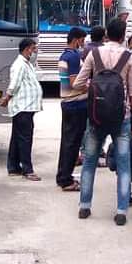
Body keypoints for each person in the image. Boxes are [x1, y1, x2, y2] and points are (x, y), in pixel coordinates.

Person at [71, 19, 132, 226]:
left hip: (96, 117)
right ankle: (121, 211)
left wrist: (93, 87)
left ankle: (84, 206)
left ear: (106, 36)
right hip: (123, 118)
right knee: (123, 164)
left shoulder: (94, 54)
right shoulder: (129, 58)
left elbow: (77, 84)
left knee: (90, 162)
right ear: (123, 36)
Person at [0, 38, 44, 181]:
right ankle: (27, 169)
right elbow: (15, 83)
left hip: (27, 106)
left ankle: (13, 167)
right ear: (26, 49)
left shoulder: (26, 63)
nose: (34, 51)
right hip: (22, 106)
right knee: (25, 138)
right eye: (33, 48)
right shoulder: (20, 64)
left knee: (17, 137)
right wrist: (7, 97)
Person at [56, 27, 88, 191]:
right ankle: (66, 180)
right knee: (72, 143)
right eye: (82, 40)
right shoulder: (74, 56)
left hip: (68, 103)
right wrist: (89, 87)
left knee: (67, 142)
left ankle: (63, 175)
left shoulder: (64, 55)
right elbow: (75, 82)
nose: (83, 43)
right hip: (76, 104)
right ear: (76, 39)